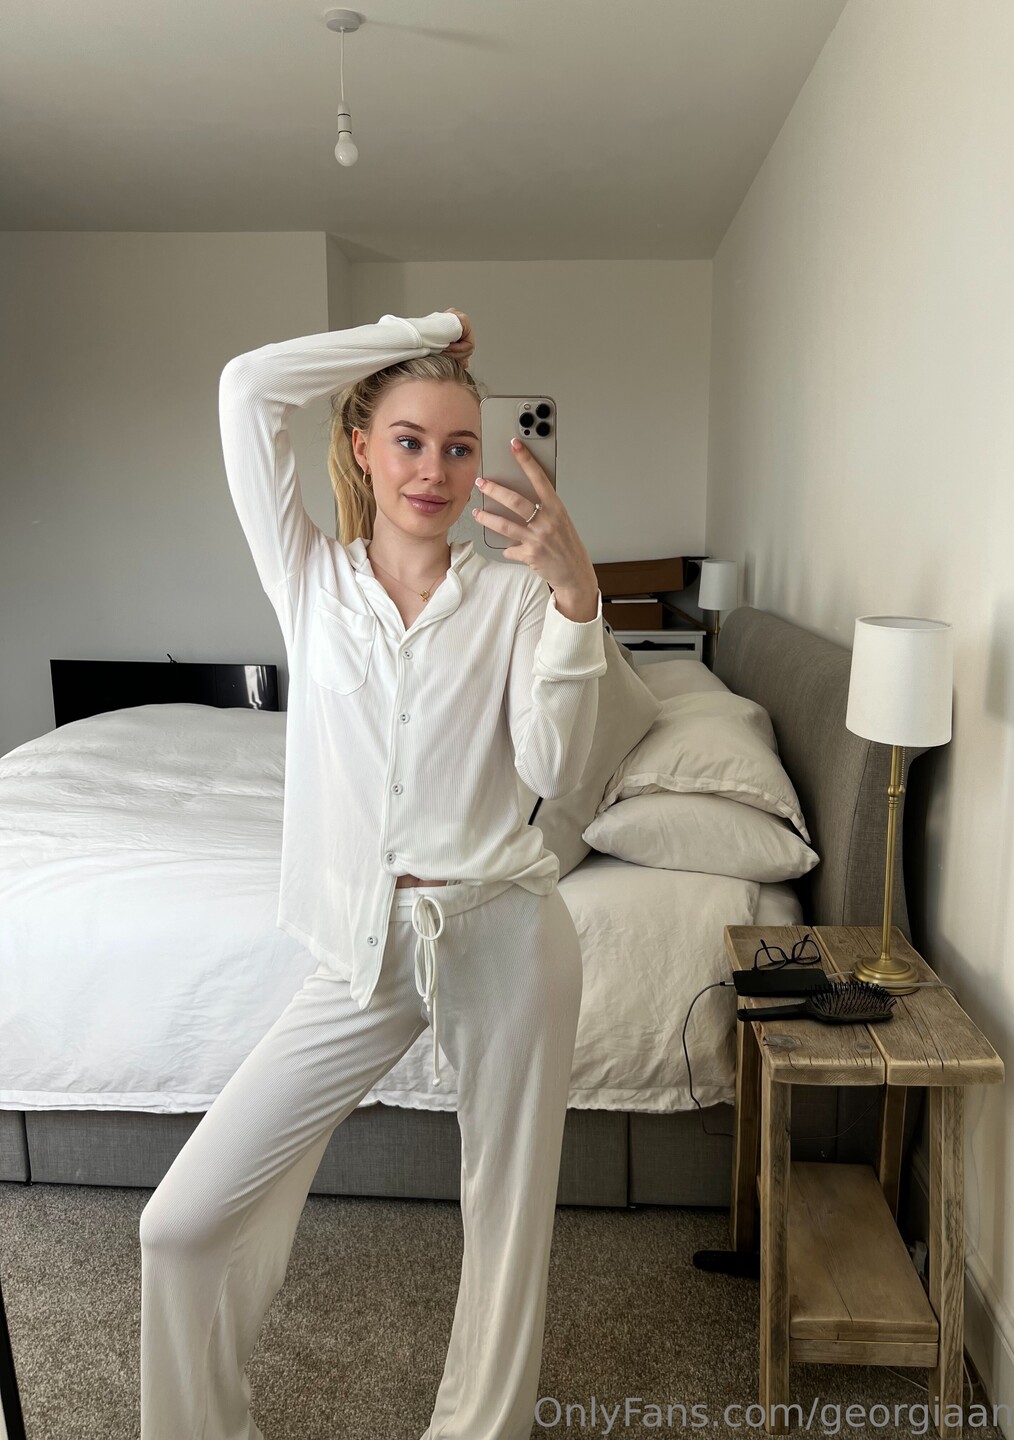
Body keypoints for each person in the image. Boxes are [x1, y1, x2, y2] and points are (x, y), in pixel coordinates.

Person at [138, 308, 607, 1440]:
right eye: (408, 440)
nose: (433, 471)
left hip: (506, 931)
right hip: (363, 946)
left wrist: (577, 602)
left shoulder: (511, 597)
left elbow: (556, 771)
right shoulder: (310, 579)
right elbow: (248, 387)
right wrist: (424, 330)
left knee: (505, 1231)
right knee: (179, 1224)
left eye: (459, 447)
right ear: (360, 447)